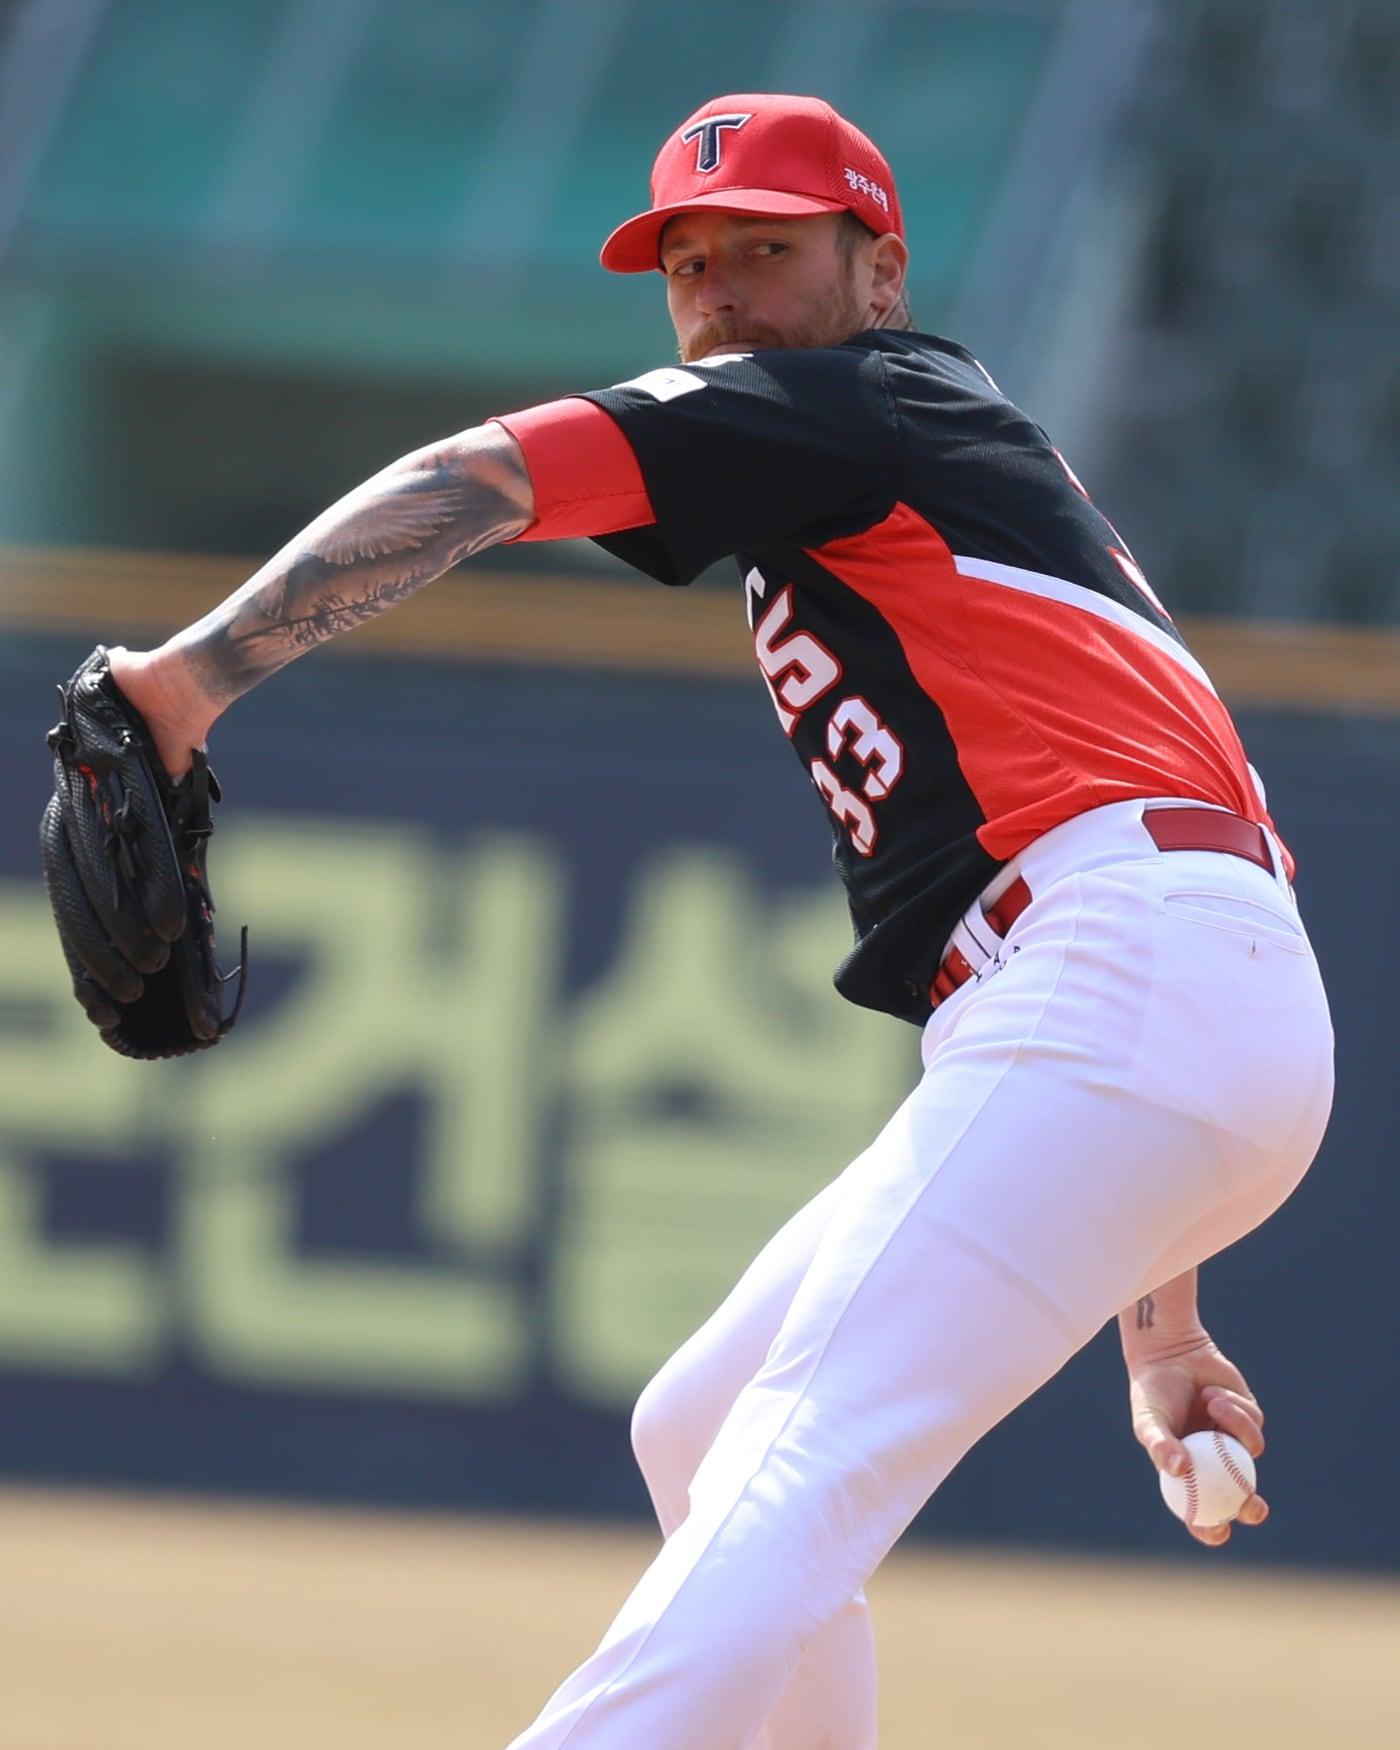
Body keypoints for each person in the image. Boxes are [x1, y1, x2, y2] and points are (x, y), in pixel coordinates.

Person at [107, 94, 1333, 1750]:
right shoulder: (917, 473)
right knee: (703, 1426)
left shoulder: (865, 404)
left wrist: (185, 684)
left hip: (1127, 969)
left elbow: (477, 478)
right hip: (1160, 979)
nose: (722, 293)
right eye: (689, 264)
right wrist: (1162, 1315)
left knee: (791, 1456)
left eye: (767, 246)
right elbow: (1161, 859)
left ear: (879, 272)